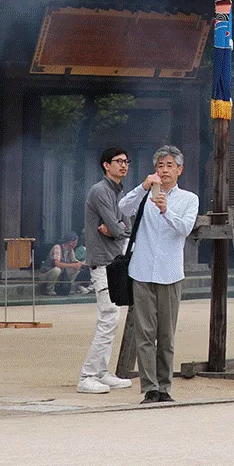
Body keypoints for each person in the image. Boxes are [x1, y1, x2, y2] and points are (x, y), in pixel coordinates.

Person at [117, 145, 199, 404]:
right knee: (144, 333)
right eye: (160, 166)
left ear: (179, 170)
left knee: (166, 335)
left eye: (169, 166)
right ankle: (149, 388)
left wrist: (166, 210)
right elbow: (122, 208)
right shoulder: (144, 195)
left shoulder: (188, 198)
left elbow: (185, 228)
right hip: (141, 270)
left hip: (170, 272)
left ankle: (165, 386)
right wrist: (143, 187)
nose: (164, 170)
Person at [77, 147, 134, 394]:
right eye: (118, 161)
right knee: (108, 317)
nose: (123, 165)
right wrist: (117, 227)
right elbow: (117, 226)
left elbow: (126, 225)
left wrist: (117, 227)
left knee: (112, 318)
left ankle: (101, 372)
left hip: (115, 259)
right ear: (105, 165)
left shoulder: (119, 192)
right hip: (103, 260)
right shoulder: (100, 190)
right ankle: (87, 375)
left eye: (125, 161)